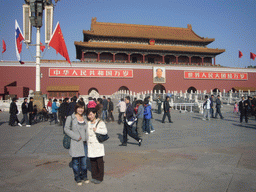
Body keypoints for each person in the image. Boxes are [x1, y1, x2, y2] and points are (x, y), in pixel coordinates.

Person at [64, 101, 88, 186]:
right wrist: (76, 136)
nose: (80, 110)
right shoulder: (71, 118)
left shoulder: (85, 118)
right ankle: (77, 177)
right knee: (75, 162)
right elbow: (66, 129)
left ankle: (84, 176)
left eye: (82, 108)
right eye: (79, 108)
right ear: (76, 108)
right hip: (75, 142)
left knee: (84, 163)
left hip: (84, 143)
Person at [86, 108, 107, 184]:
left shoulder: (100, 122)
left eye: (91, 114)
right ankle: (94, 176)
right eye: (88, 115)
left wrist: (96, 130)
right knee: (92, 162)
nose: (90, 116)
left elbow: (105, 132)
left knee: (99, 162)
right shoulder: (88, 123)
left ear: (95, 114)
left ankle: (100, 177)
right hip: (90, 145)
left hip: (98, 145)